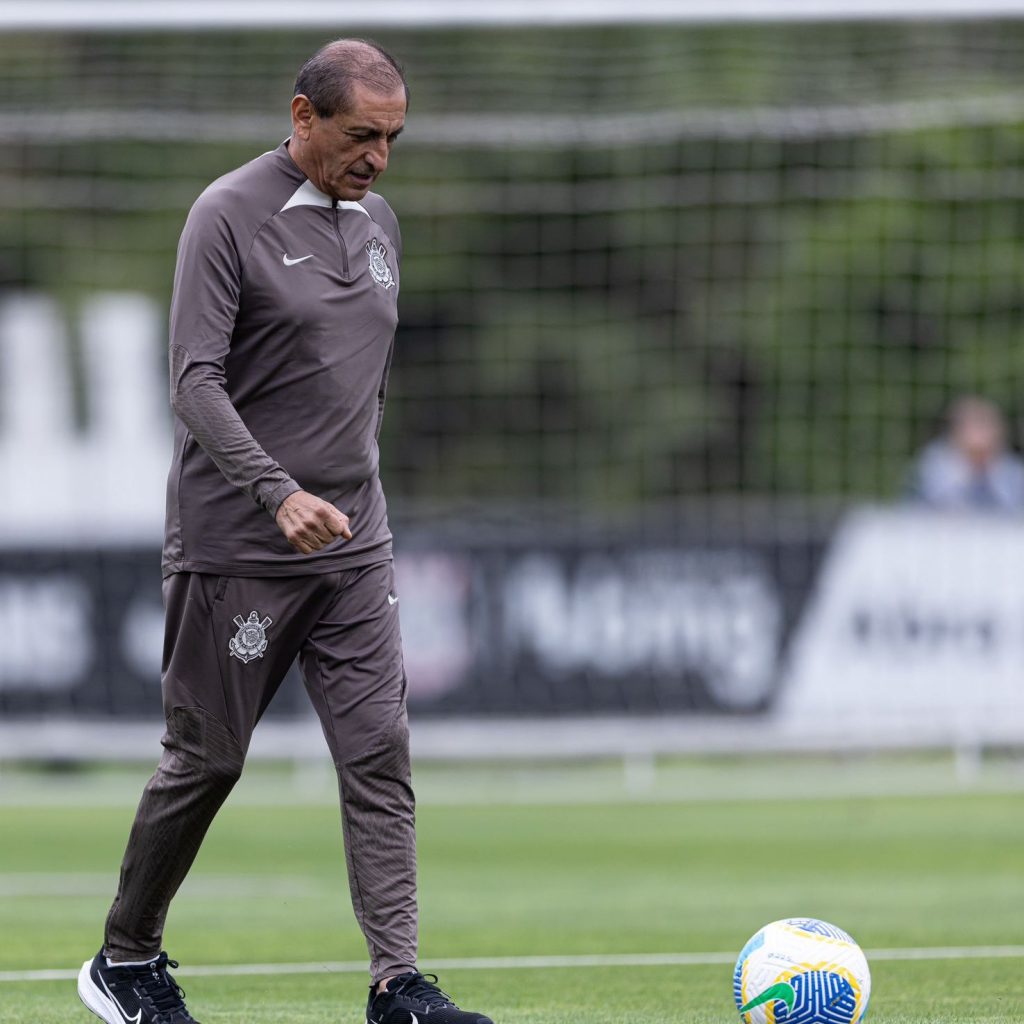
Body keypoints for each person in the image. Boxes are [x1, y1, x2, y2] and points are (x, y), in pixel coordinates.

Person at [77, 39, 493, 1024]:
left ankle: (397, 983)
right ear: (302, 116)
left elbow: (357, 384)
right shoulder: (226, 215)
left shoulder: (381, 223)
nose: (379, 157)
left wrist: (353, 490)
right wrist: (277, 491)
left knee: (379, 749)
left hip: (354, 546)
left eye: (393, 138)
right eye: (361, 135)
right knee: (207, 761)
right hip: (242, 545)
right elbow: (193, 379)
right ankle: (125, 959)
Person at [908, 394, 1024, 511]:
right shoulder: (935, 462)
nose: (980, 434)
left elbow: (1014, 506)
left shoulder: (1012, 469)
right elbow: (932, 503)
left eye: (986, 425)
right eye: (975, 424)